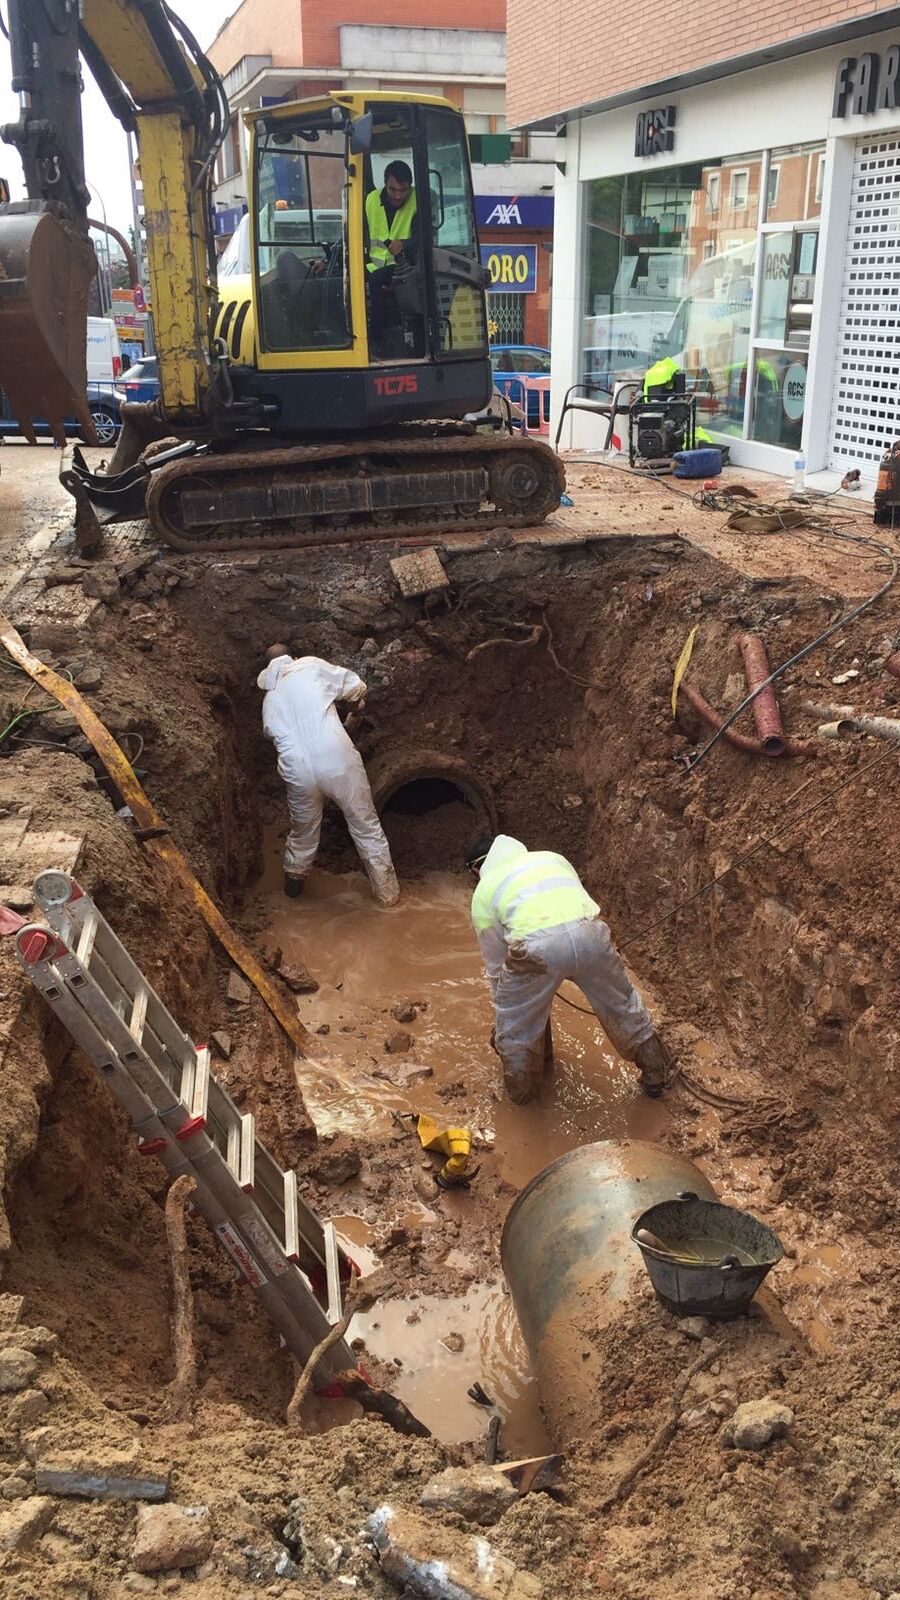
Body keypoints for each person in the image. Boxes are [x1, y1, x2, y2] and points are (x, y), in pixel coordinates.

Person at [468, 834, 670, 1105]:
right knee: (622, 1005)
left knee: (517, 1030)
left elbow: (496, 967)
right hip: (590, 932)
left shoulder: (484, 891)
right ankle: (656, 1073)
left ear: (477, 869)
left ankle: (523, 1100)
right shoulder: (553, 858)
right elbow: (573, 903)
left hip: (534, 948)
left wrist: (505, 1013)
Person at [258, 646, 399, 907]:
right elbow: (356, 688)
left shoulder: (269, 702)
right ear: (294, 658)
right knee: (365, 827)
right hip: (336, 759)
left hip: (297, 772)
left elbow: (288, 736)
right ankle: (389, 899)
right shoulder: (309, 666)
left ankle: (291, 898)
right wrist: (356, 710)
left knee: (302, 835)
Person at [365, 160, 417, 345]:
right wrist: (329, 259)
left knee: (376, 280)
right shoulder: (370, 200)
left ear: (410, 187)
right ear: (385, 184)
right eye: (392, 189)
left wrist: (404, 244)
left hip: (405, 266)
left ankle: (377, 341)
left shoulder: (418, 200)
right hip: (374, 266)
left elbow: (425, 237)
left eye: (403, 190)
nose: (397, 196)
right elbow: (354, 234)